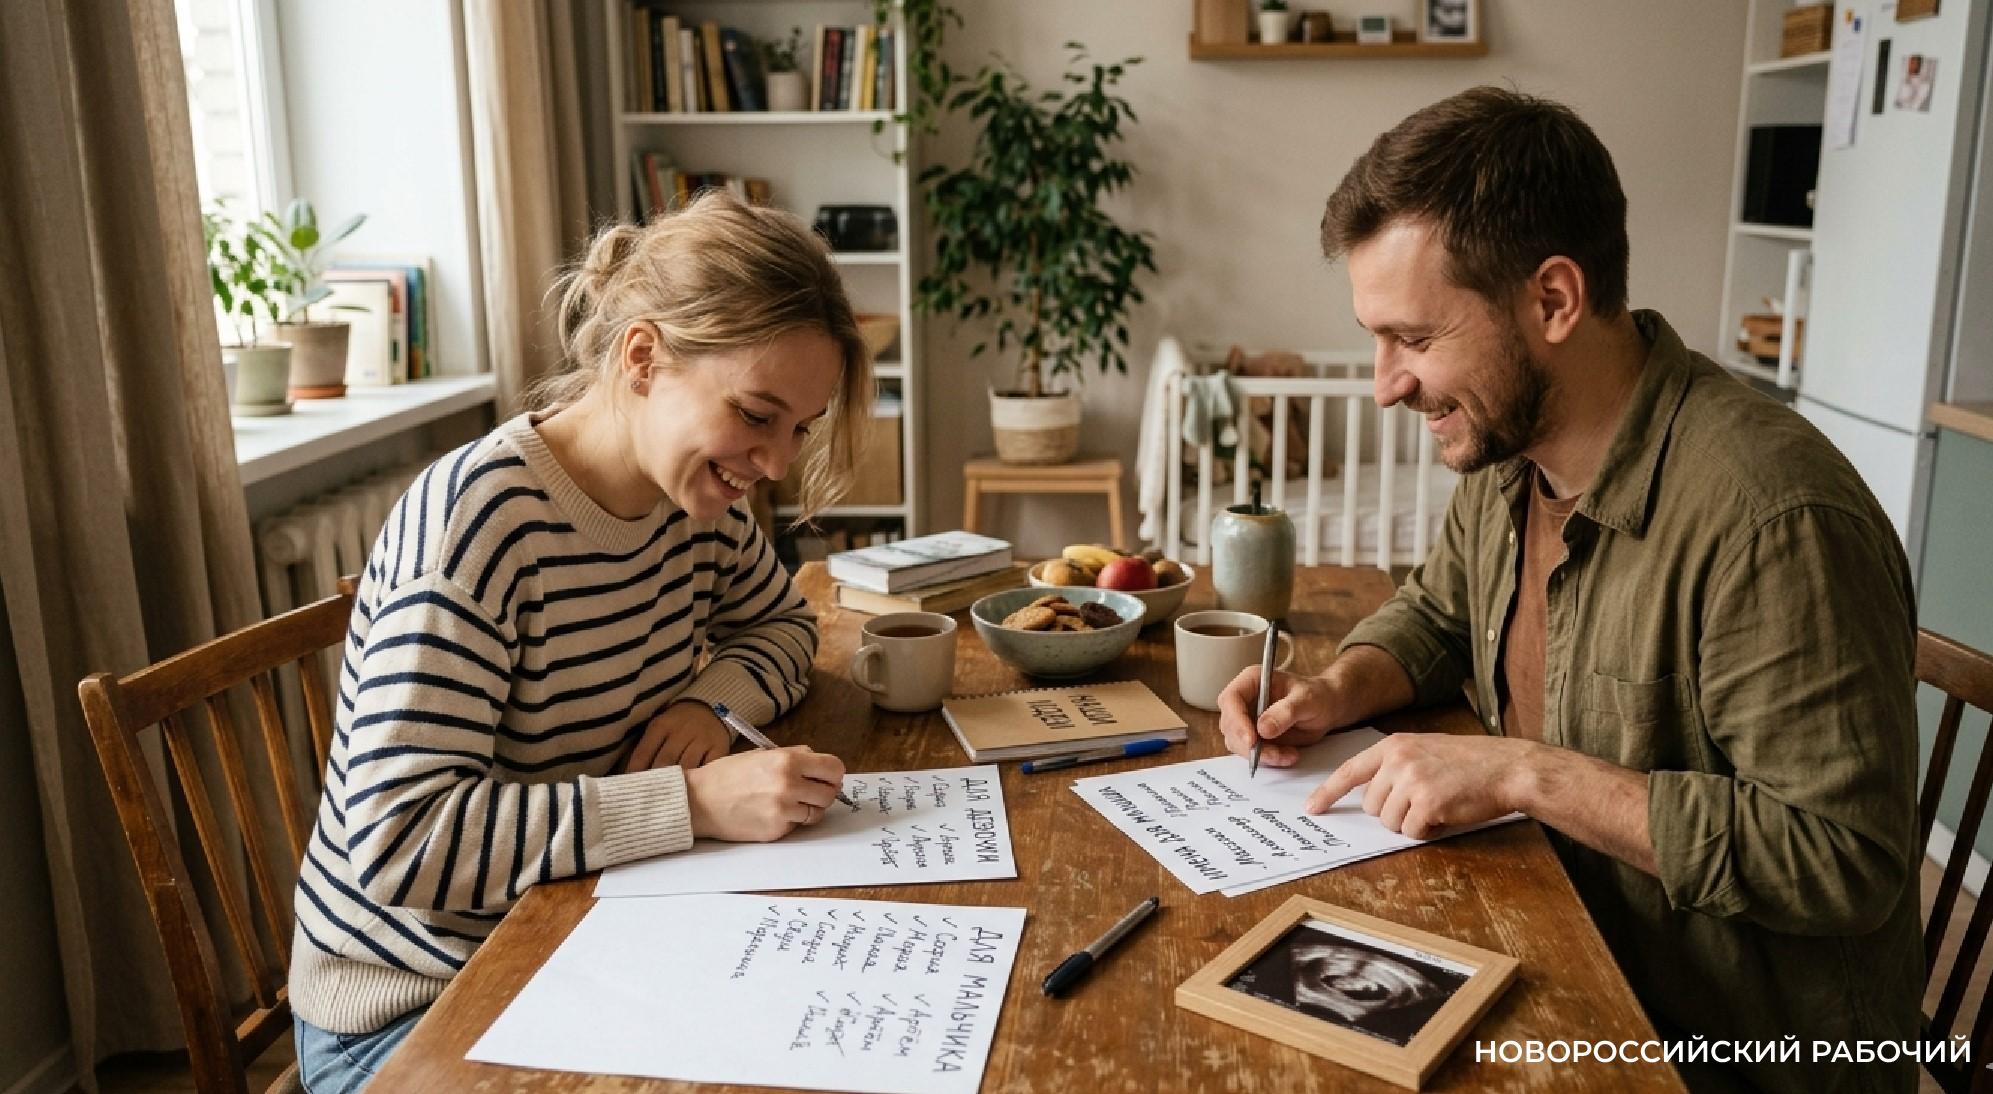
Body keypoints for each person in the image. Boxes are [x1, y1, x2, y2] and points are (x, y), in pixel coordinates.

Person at [1217, 87, 1921, 1092]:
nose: (1383, 383)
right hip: (1563, 946)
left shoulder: (1774, 517)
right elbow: (1436, 612)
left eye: (1413, 338)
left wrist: (1523, 773)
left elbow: (1840, 857)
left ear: (1552, 300)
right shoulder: (1514, 457)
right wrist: (1336, 689)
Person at [288, 191, 874, 1092]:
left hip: (590, 927)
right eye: (756, 415)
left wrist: (709, 702)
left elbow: (785, 623)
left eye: (798, 429)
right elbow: (401, 838)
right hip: (412, 1005)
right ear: (644, 356)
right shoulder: (477, 529)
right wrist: (689, 804)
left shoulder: (694, 502)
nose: (776, 464)